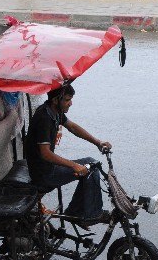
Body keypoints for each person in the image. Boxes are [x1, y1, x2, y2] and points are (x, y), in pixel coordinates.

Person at [25, 83, 112, 227]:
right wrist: (74, 166)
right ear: (55, 100)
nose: (70, 103)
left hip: (48, 167)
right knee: (90, 170)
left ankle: (75, 211)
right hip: (44, 173)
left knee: (91, 163)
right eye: (67, 100)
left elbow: (72, 127)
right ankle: (90, 215)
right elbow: (45, 154)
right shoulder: (44, 118)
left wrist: (97, 142)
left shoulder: (54, 112)